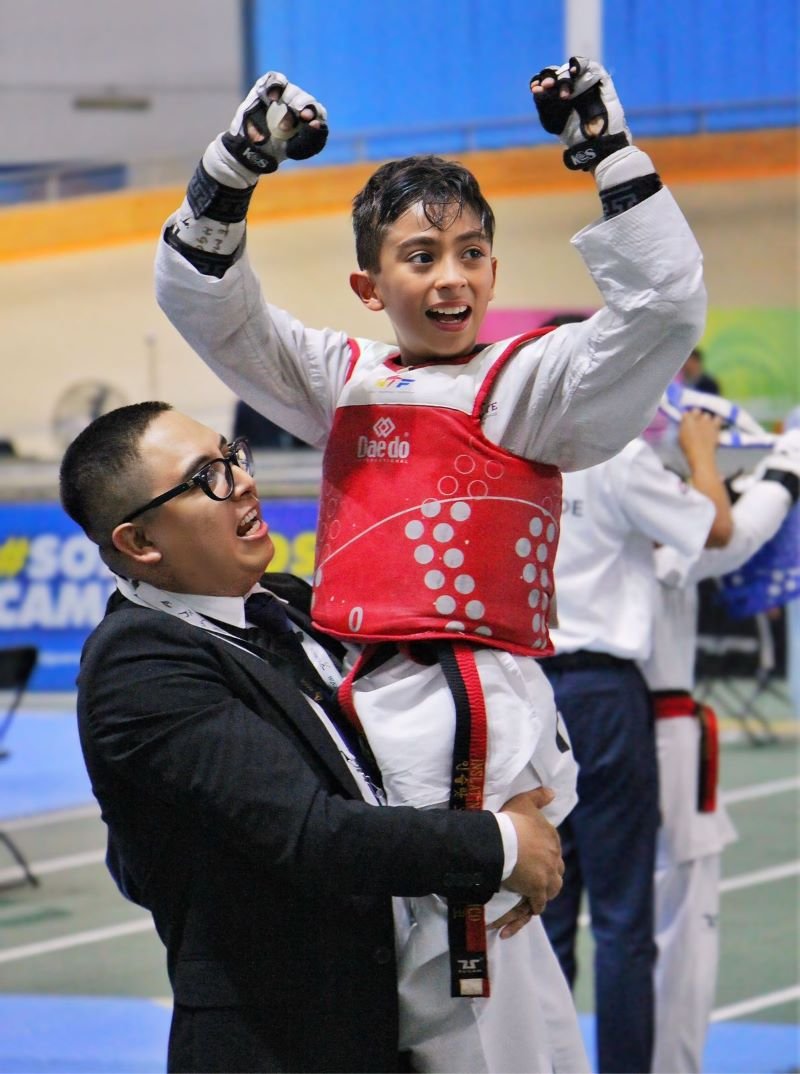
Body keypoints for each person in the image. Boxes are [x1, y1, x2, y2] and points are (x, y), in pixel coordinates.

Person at [154, 56, 705, 1070]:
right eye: (418, 256)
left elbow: (663, 312)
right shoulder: (343, 382)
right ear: (369, 284)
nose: (448, 276)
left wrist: (606, 152)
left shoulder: (527, 383)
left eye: (469, 253)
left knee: (493, 1027)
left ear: (493, 270)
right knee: (391, 1017)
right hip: (362, 729)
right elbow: (206, 305)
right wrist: (231, 165)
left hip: (481, 737)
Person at [59, 400, 569, 1074]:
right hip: (281, 1045)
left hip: (388, 1024)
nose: (241, 481)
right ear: (140, 544)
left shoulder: (288, 603)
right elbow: (310, 834)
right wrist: (500, 845)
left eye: (232, 456)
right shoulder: (138, 667)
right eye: (205, 477)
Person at [538, 411, 733, 1074]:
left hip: (529, 695)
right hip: (604, 693)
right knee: (623, 920)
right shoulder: (617, 456)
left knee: (543, 920)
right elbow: (718, 528)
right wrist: (701, 453)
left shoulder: (510, 454)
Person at [642, 427, 800, 1074]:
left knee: (571, 925)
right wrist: (785, 470)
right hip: (656, 731)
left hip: (573, 730)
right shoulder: (628, 486)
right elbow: (727, 536)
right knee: (681, 923)